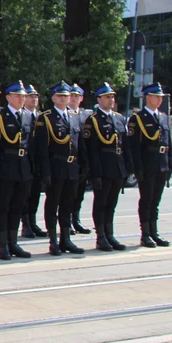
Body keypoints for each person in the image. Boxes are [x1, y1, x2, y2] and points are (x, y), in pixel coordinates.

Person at [0, 81, 33, 260]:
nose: (22, 99)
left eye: (24, 96)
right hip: (5, 167)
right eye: (18, 96)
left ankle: (13, 242)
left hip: (23, 168)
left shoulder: (27, 116)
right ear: (9, 97)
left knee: (17, 207)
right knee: (2, 207)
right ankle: (3, 244)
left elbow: (31, 146)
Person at [34, 81, 85, 256]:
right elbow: (42, 149)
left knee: (67, 205)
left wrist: (83, 166)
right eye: (61, 96)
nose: (64, 99)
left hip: (72, 167)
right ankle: (53, 241)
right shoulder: (46, 118)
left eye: (66, 96)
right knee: (53, 204)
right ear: (54, 98)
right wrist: (45, 172)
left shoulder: (74, 116)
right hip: (55, 166)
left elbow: (80, 144)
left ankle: (66, 239)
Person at [83, 82, 130, 252]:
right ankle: (101, 237)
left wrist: (127, 168)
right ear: (99, 99)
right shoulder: (93, 120)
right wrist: (95, 173)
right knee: (101, 204)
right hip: (103, 168)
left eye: (112, 96)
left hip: (117, 167)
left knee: (112, 204)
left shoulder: (118, 118)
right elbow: (92, 150)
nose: (111, 100)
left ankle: (110, 235)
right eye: (107, 97)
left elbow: (125, 145)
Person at [127, 83, 172, 248]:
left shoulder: (162, 117)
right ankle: (145, 234)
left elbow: (168, 143)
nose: (160, 100)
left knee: (156, 201)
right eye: (157, 96)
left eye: (161, 97)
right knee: (146, 200)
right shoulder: (138, 119)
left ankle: (155, 232)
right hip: (147, 165)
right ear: (148, 97)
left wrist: (171, 164)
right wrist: (137, 168)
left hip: (161, 164)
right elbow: (134, 147)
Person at [20, 84, 47, 240]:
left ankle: (33, 221)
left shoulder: (41, 117)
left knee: (36, 193)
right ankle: (25, 224)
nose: (34, 99)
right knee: (25, 194)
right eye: (31, 96)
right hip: (25, 159)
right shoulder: (22, 115)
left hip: (38, 159)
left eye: (36, 96)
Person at [68, 84, 92, 236]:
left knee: (80, 193)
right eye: (72, 95)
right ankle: (67, 221)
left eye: (77, 96)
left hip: (82, 159)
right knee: (67, 194)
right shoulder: (64, 113)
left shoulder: (87, 116)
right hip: (68, 159)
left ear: (82, 99)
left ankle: (76, 219)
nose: (74, 98)